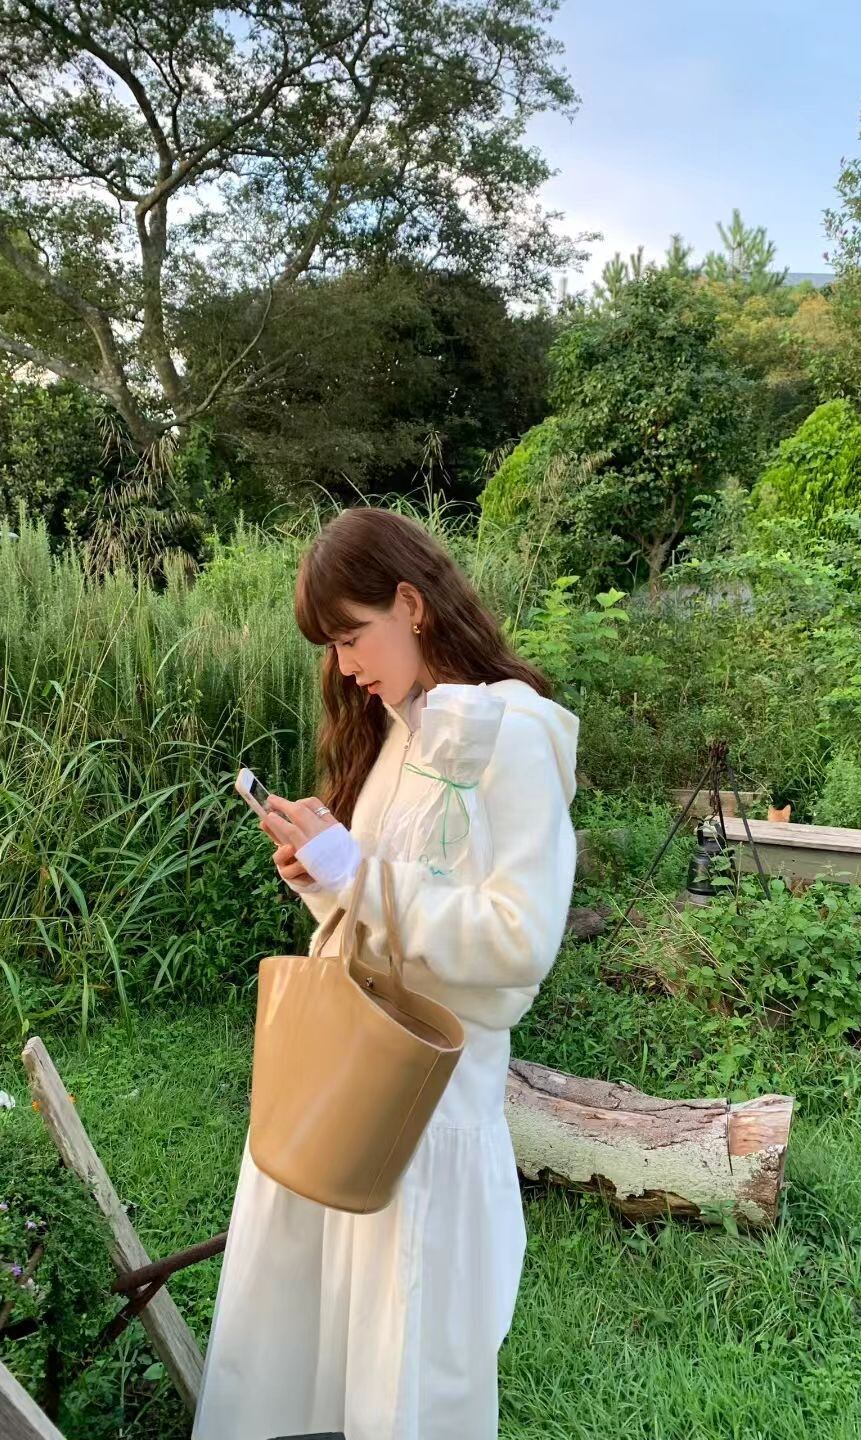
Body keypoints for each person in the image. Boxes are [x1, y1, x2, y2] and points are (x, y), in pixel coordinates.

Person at [193, 508, 579, 1440]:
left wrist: (357, 874)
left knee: (404, 1367)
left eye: (351, 636)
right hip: (344, 1084)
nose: (343, 666)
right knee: (312, 1347)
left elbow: (521, 940)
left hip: (426, 1108)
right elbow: (386, 921)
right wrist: (323, 879)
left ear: (411, 604)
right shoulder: (401, 729)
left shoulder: (513, 732)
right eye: (330, 647)